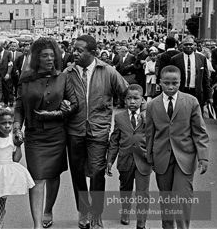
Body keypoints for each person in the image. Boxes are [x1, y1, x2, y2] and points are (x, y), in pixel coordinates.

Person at [63, 34, 128, 229]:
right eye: (73, 49)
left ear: (92, 53)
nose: (74, 53)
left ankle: (96, 213)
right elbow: (58, 96)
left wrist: (134, 115)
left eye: (79, 50)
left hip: (99, 131)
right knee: (77, 173)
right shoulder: (67, 72)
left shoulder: (108, 71)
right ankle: (83, 210)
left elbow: (127, 92)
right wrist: (63, 103)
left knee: (98, 172)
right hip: (74, 130)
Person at [13, 37, 78, 229]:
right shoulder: (25, 80)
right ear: (36, 58)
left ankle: (48, 209)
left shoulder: (63, 78)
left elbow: (75, 105)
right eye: (45, 55)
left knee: (53, 175)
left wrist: (56, 113)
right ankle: (37, 224)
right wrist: (17, 127)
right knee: (37, 178)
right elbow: (19, 106)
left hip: (57, 135)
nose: (50, 59)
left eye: (52, 55)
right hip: (34, 136)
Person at [146, 65, 209, 229]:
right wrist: (149, 157)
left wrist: (203, 157)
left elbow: (199, 132)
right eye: (166, 83)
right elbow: (149, 134)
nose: (171, 86)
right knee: (166, 199)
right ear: (160, 82)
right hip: (161, 158)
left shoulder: (191, 101)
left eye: (175, 83)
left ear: (180, 82)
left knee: (182, 198)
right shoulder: (152, 105)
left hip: (185, 157)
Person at [106, 84, 152, 229]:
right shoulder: (119, 117)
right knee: (125, 189)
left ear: (142, 100)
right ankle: (125, 211)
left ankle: (141, 223)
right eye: (128, 98)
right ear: (124, 100)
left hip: (143, 160)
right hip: (125, 160)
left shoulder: (148, 117)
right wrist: (110, 161)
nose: (132, 102)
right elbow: (114, 141)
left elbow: (154, 138)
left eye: (136, 98)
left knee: (142, 193)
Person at [169, 36, 212, 109]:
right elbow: (171, 78)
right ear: (182, 46)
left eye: (190, 44)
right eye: (186, 44)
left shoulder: (201, 58)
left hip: (197, 93)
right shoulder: (175, 59)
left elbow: (206, 79)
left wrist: (209, 96)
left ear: (194, 45)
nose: (188, 46)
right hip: (181, 91)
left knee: (196, 117)